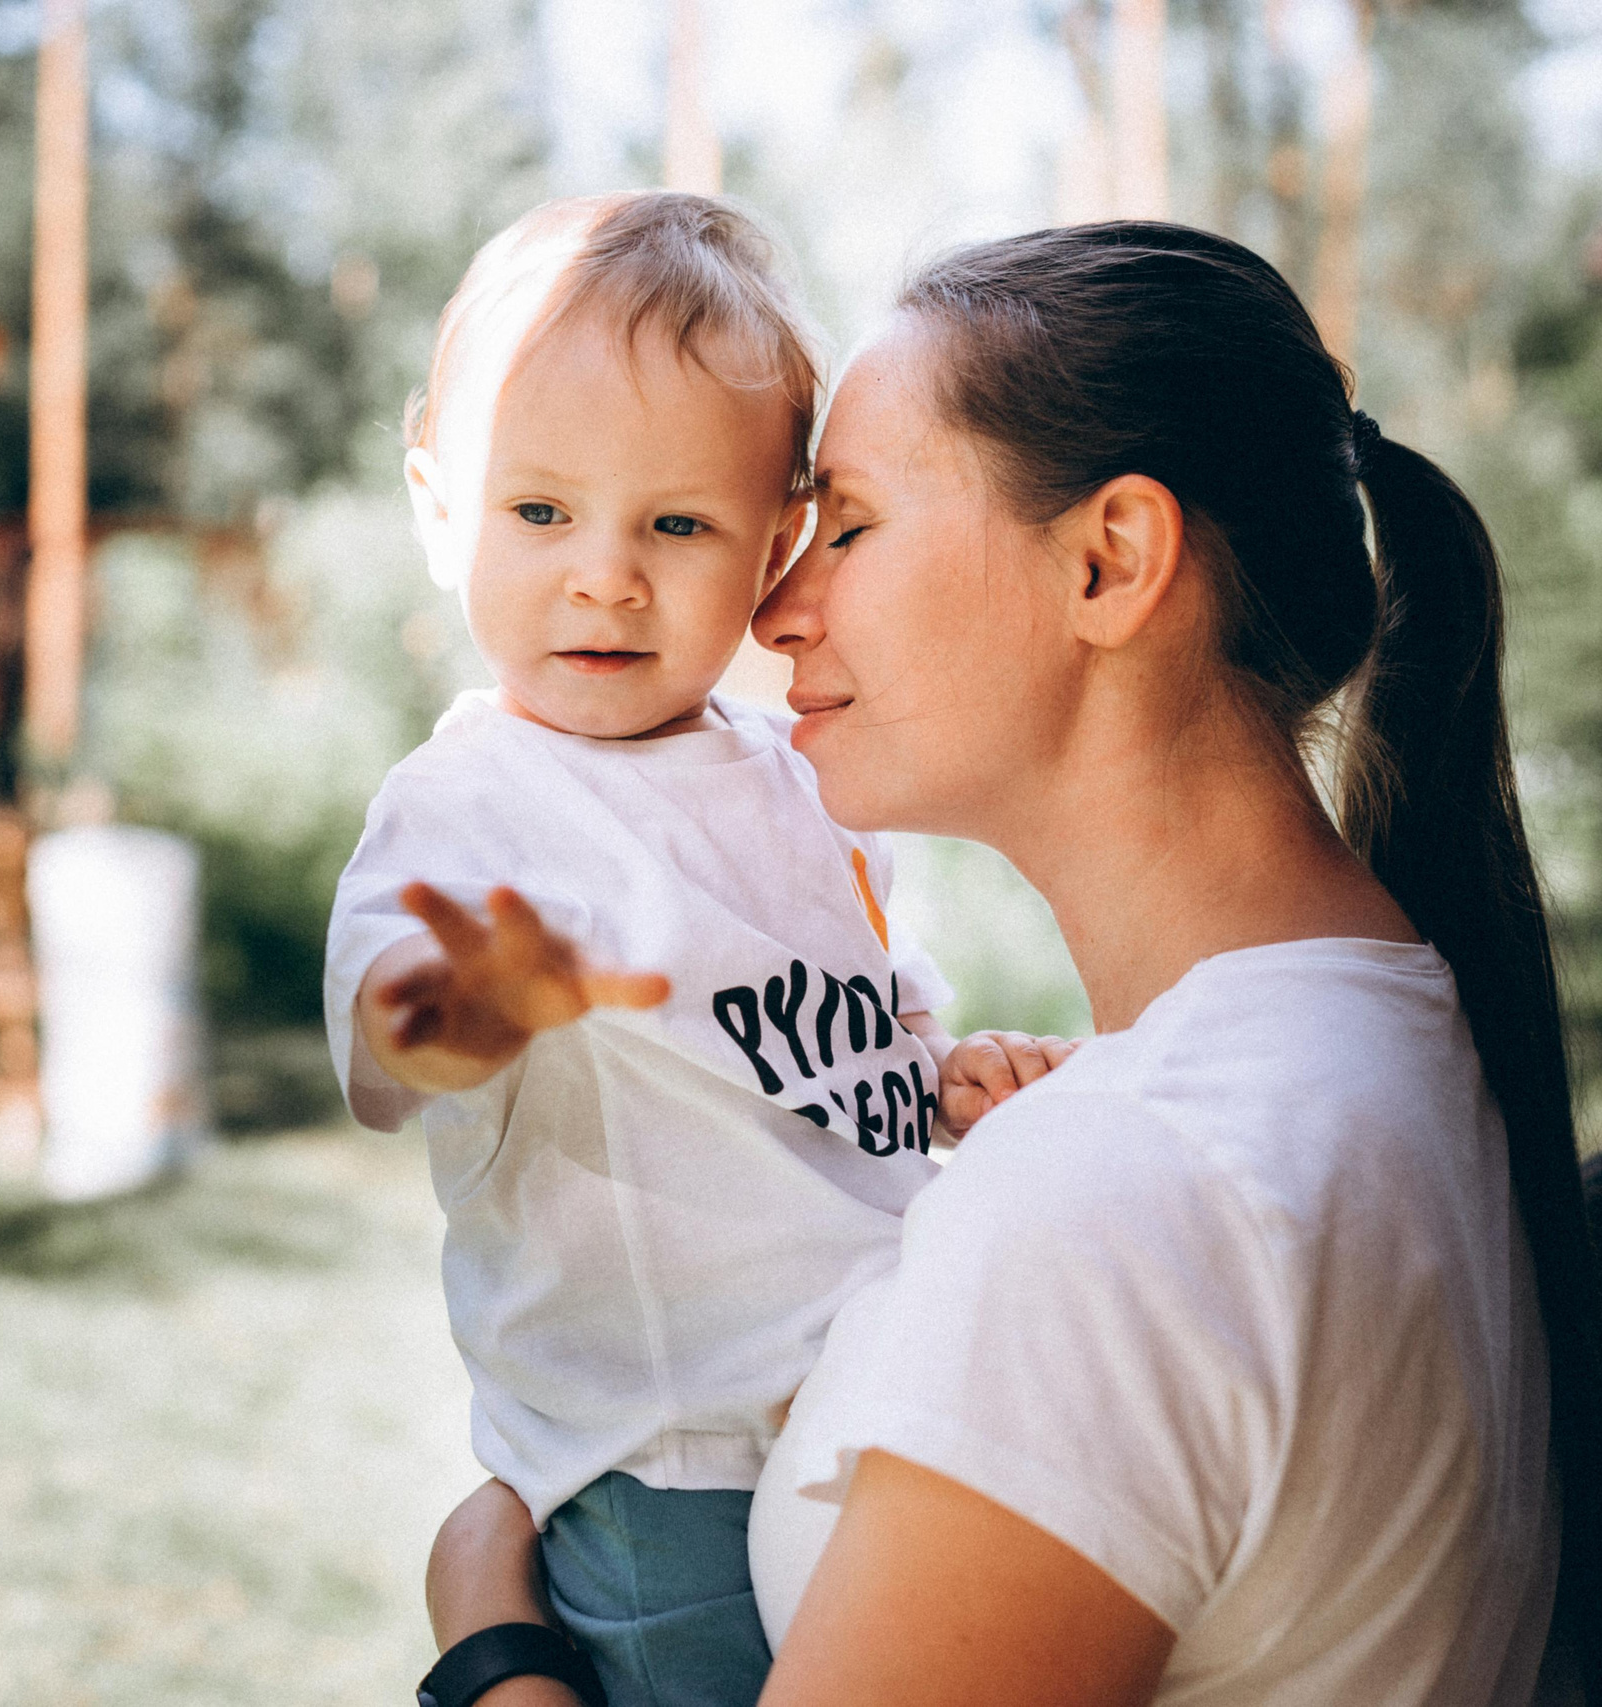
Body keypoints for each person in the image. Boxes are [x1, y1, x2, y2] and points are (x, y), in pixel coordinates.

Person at [422, 221, 1602, 1707]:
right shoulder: (1385, 1045)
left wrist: (491, 1645)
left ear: (1109, 562)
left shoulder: (1124, 1198)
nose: (776, 605)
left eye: (851, 523)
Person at [326, 191, 1068, 1707]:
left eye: (677, 524)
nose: (606, 575)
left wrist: (951, 1079)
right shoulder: (478, 802)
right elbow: (382, 1039)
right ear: (435, 503)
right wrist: (461, 1009)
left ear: (776, 541)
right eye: (540, 513)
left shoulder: (801, 774)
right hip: (678, 1479)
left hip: (882, 1415)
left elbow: (850, 1036)